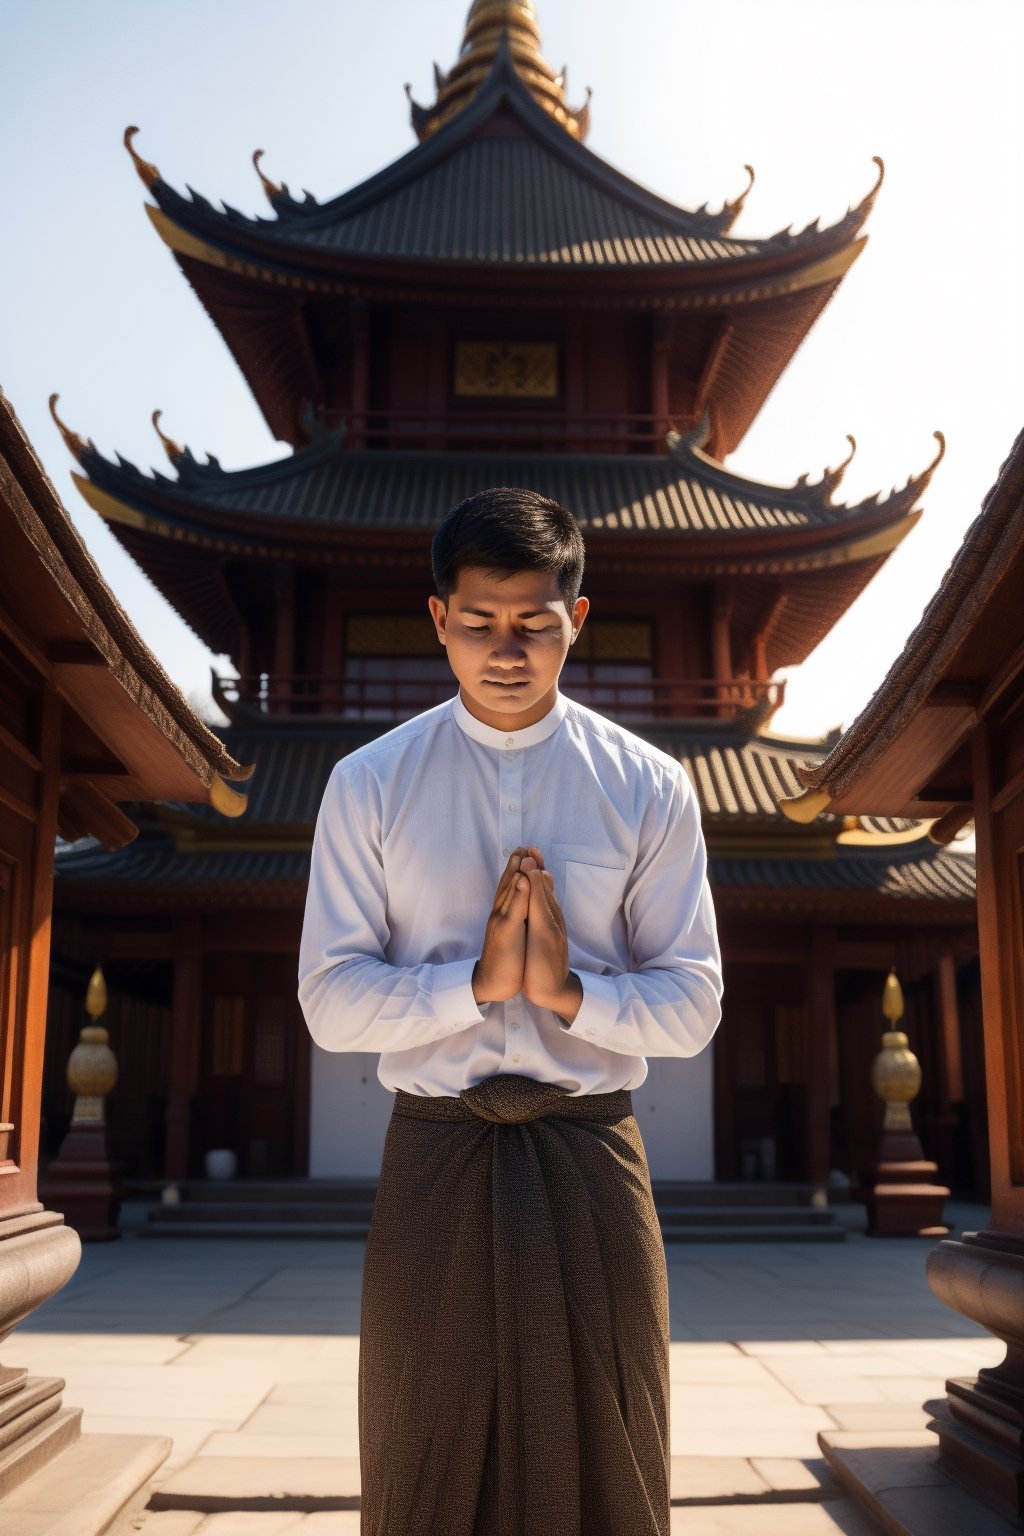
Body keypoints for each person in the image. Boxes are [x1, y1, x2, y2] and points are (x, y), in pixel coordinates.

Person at [298, 486, 723, 1536]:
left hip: (590, 1150)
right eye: (479, 623)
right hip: (438, 1149)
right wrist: (474, 987)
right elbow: (328, 1001)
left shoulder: (648, 785)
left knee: (611, 1447)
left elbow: (693, 1005)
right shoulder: (369, 783)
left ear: (576, 620)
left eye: (534, 626)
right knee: (424, 1450)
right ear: (437, 617)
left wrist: (567, 993)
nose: (505, 650)